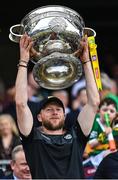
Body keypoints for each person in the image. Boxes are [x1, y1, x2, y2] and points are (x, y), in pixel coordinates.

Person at [15, 33, 100, 179]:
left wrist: (86, 61)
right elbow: (21, 104)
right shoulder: (32, 137)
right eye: (49, 110)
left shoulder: (77, 136)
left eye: (58, 109)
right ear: (39, 117)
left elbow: (94, 103)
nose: (54, 112)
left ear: (64, 114)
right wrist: (23, 61)